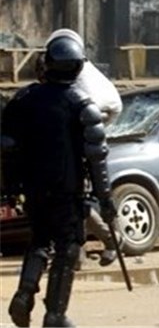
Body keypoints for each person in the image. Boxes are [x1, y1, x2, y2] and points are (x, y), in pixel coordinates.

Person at [2, 35, 116, 327]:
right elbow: (97, 158)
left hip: (35, 189)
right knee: (67, 249)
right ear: (77, 67)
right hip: (68, 190)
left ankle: (24, 294)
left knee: (39, 242)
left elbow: (7, 146)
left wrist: (12, 188)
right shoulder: (82, 105)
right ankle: (55, 314)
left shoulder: (24, 99)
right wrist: (106, 199)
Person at [44, 28, 123, 269]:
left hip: (85, 142)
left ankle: (109, 240)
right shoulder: (73, 77)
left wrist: (87, 125)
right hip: (73, 141)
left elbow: (107, 106)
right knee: (73, 201)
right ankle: (75, 255)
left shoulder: (85, 78)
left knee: (78, 200)